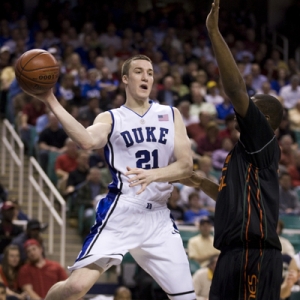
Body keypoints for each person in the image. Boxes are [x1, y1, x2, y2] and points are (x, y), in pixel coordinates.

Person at [26, 54, 195, 300]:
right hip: (122, 211)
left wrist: (153, 174)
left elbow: (186, 166)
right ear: (125, 79)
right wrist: (50, 99)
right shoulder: (111, 117)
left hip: (158, 217)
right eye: (139, 71)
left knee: (186, 298)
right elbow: (86, 140)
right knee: (75, 288)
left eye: (149, 72)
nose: (146, 76)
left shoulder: (170, 114)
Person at [179, 1, 284, 299]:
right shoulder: (243, 152)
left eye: (253, 108)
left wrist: (213, 32)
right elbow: (230, 197)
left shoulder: (262, 138)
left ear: (264, 120)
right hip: (231, 254)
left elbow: (237, 90)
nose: (244, 111)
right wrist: (201, 183)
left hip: (255, 253)